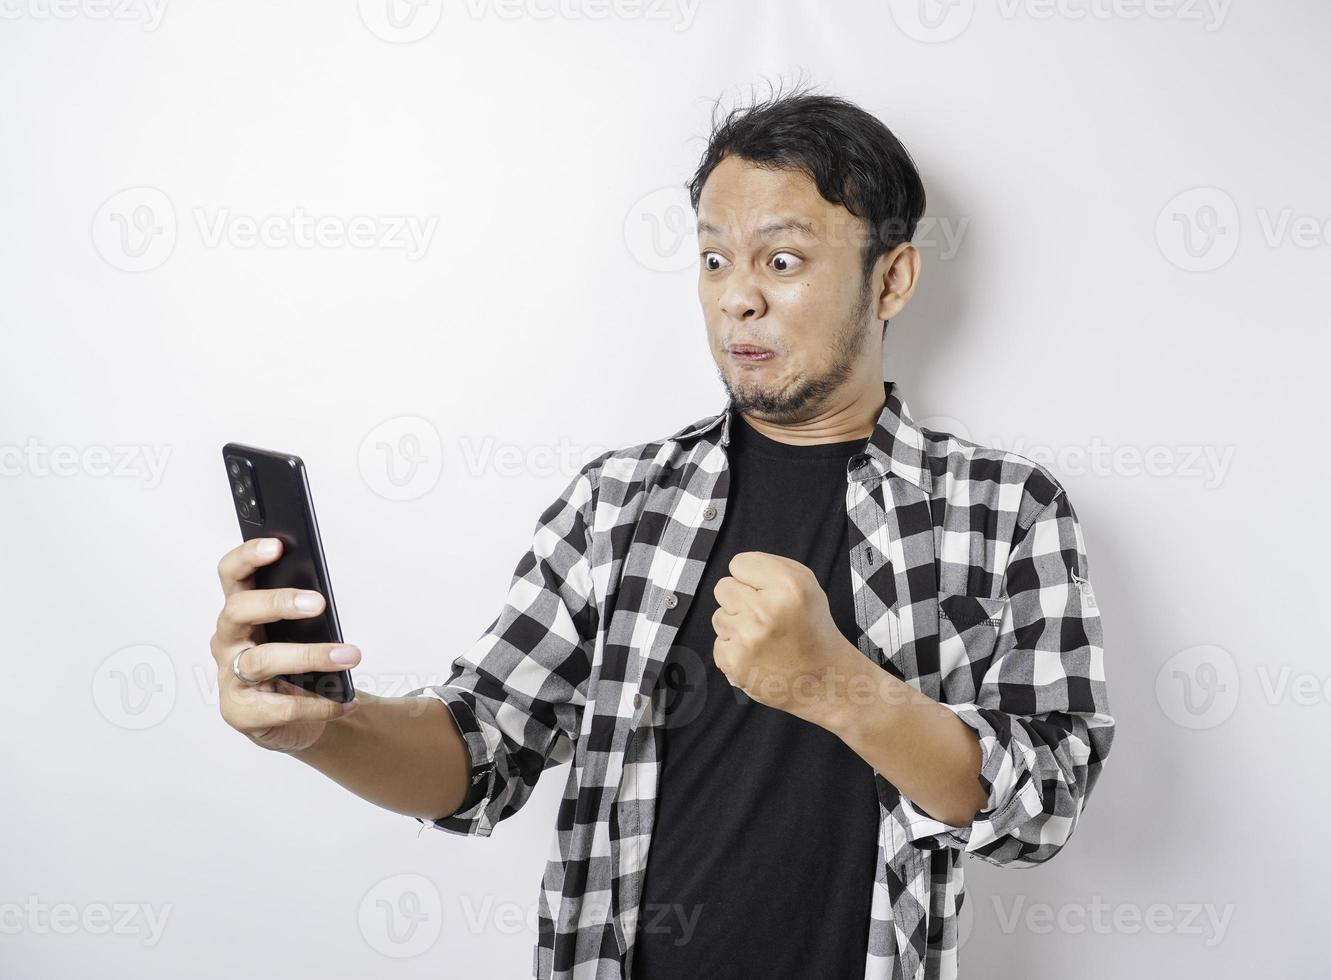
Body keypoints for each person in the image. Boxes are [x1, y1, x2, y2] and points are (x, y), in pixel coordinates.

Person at [207, 84, 1115, 980]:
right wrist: (322, 728)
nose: (737, 301)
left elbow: (1043, 806)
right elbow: (480, 751)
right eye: (715, 261)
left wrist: (838, 686)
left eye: (783, 261)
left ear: (894, 278)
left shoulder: (1007, 509)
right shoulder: (617, 502)